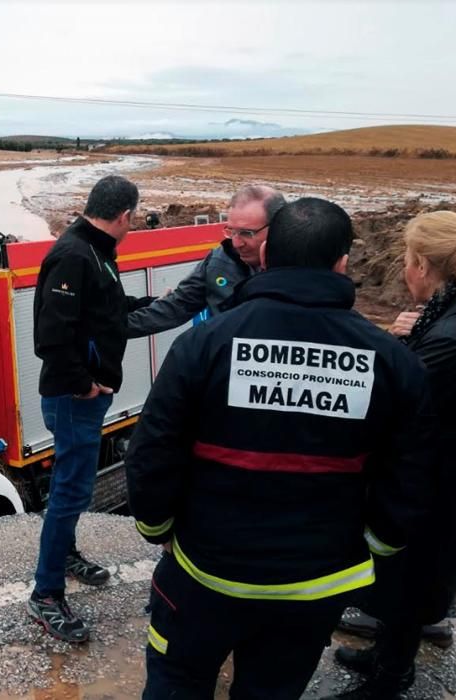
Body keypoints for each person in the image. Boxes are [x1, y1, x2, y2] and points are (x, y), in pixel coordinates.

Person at [125, 197, 434, 699]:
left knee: (177, 682)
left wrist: (156, 527)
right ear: (342, 263)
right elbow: (411, 476)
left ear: (265, 253)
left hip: (204, 575)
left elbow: (153, 450)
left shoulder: (207, 345)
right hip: (315, 587)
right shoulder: (393, 362)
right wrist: (375, 544)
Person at [327, 211, 456, 699]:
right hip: (433, 475)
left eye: (407, 261)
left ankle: (390, 679)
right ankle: (386, 656)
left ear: (425, 267)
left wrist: (393, 346)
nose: (405, 270)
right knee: (402, 575)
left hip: (434, 484)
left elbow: (395, 399)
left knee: (409, 578)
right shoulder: (444, 317)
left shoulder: (452, 336)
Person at [28, 174, 152, 643]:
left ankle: (66, 555)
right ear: (124, 216)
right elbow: (50, 336)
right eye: (133, 218)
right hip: (73, 398)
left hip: (83, 396)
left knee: (71, 486)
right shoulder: (75, 254)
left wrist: (170, 305)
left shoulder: (96, 252)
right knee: (70, 492)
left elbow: (106, 312)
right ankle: (46, 594)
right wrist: (83, 385)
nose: (132, 224)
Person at [126, 184, 285, 337]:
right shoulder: (219, 261)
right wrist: (111, 329)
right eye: (231, 231)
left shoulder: (302, 267)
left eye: (246, 233)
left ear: (279, 227)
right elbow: (177, 306)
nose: (236, 243)